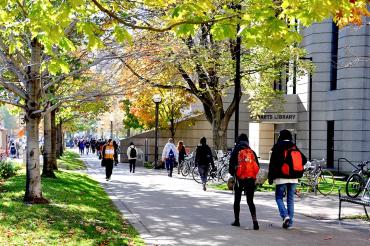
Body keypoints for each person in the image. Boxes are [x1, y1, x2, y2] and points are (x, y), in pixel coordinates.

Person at [268, 129, 307, 229]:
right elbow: (304, 159)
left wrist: (270, 178)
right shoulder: (293, 146)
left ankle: (285, 216)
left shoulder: (277, 147)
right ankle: (290, 223)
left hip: (281, 177)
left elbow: (272, 164)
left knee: (279, 197)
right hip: (294, 178)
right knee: (290, 199)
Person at [228, 133, 260, 230]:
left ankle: (237, 220)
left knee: (237, 200)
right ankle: (255, 222)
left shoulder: (236, 151)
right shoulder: (251, 152)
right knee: (250, 201)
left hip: (239, 179)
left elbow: (230, 169)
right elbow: (257, 166)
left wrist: (235, 173)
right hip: (250, 179)